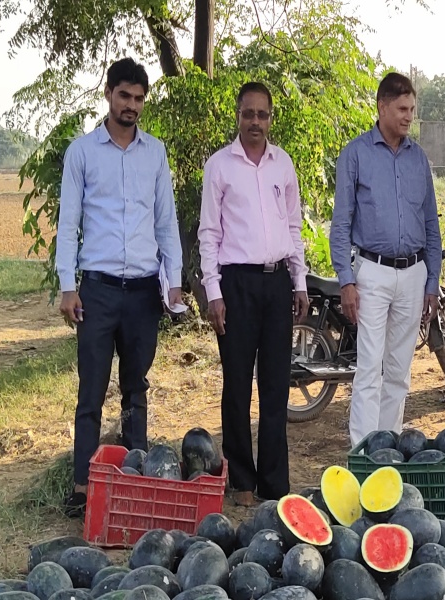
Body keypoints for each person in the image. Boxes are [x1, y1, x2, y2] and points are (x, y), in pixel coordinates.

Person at [56, 57, 183, 517]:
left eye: (138, 99)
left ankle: (135, 478)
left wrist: (173, 284)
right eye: (124, 96)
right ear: (108, 94)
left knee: (136, 387)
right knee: (91, 389)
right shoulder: (83, 152)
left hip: (145, 292)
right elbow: (68, 223)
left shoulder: (156, 153)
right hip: (98, 291)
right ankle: (82, 485)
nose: (131, 106)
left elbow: (166, 223)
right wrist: (68, 287)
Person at [198, 81, 310, 507]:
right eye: (249, 114)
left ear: (270, 118)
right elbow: (209, 232)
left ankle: (274, 485)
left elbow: (294, 228)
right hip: (236, 284)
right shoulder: (220, 166)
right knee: (237, 385)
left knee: (276, 386)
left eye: (263, 115)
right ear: (238, 116)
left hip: (277, 281)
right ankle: (241, 480)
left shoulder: (284, 164)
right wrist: (214, 292)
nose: (256, 122)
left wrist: (298, 282)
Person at [330, 72, 443, 447]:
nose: (409, 116)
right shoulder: (356, 153)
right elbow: (341, 221)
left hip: (413, 274)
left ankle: (388, 449)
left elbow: (430, 221)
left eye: (412, 109)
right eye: (402, 109)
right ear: (382, 107)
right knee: (368, 369)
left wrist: (432, 282)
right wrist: (346, 280)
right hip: (372, 274)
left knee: (398, 371)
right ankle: (363, 453)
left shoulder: (419, 159)